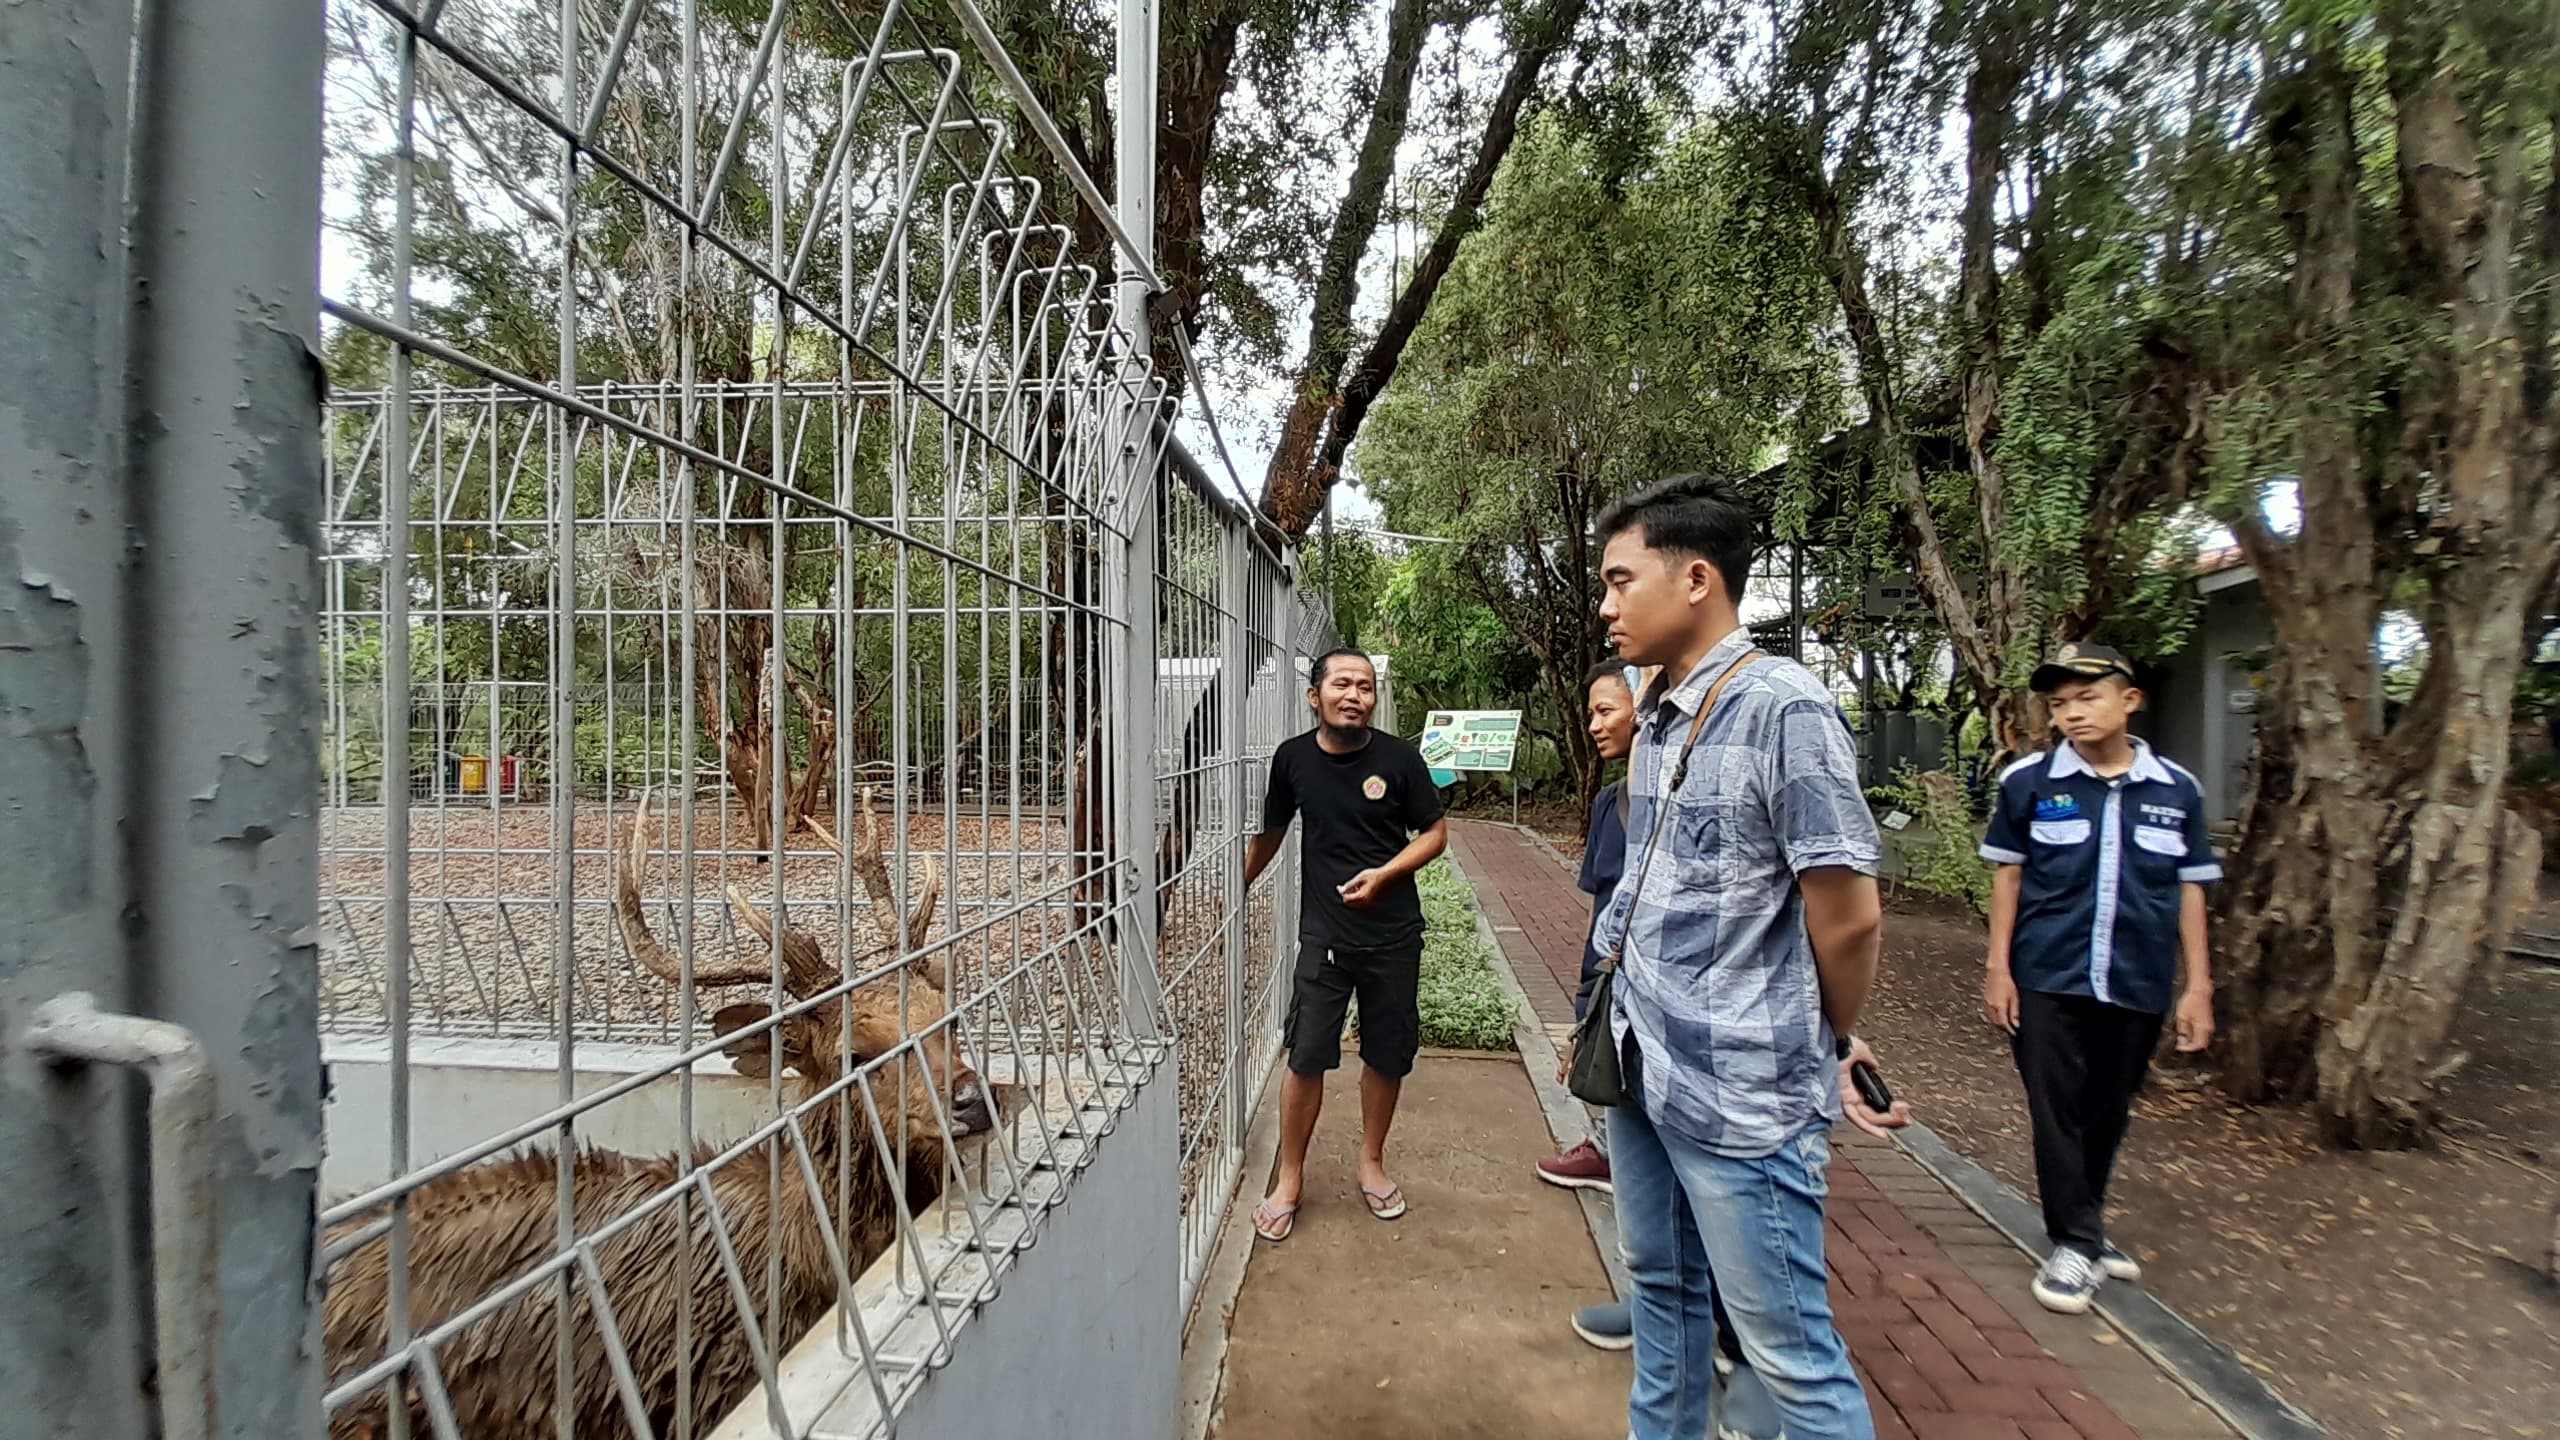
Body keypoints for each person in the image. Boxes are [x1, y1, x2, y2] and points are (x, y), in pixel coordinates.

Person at [1587, 472, 1886, 1440]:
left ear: (1696, 579)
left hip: (1740, 1096)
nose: (1604, 606)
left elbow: (1847, 919)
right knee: (1664, 1300)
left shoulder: (1785, 708)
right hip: (1641, 1064)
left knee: (1790, 1360)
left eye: (1618, 580)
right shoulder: (1654, 712)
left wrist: (1826, 1040)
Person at [1978, 641, 2218, 1315]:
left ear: (2129, 700)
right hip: (2047, 975)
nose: (2072, 715)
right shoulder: (2028, 783)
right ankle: (2075, 1241)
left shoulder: (2177, 791)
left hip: (2135, 978)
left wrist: (2198, 985)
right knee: (2056, 1108)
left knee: (2109, 1108)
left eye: (2088, 698)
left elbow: (2191, 890)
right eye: (2059, 705)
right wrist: (1999, 969)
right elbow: (2010, 876)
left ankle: (2084, 1224)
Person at [1244, 648, 1450, 1242]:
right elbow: (1273, 833)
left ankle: (1371, 1162)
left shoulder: (1400, 759)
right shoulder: (1292, 761)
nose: (1355, 694)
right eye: (1342, 684)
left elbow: (1434, 833)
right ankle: (1289, 1178)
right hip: (1324, 937)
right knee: (1306, 1055)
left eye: (1365, 686)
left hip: (1392, 936)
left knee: (1386, 1055)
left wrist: (1386, 874)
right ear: (1316, 696)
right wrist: (1236, 886)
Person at [1536, 659, 1645, 1199]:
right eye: (1591, 714)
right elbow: (1601, 904)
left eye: (1607, 711)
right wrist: (1589, 994)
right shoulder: (1612, 801)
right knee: (1601, 1064)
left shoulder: (1682, 796)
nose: (1596, 725)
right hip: (1611, 973)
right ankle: (1604, 1150)